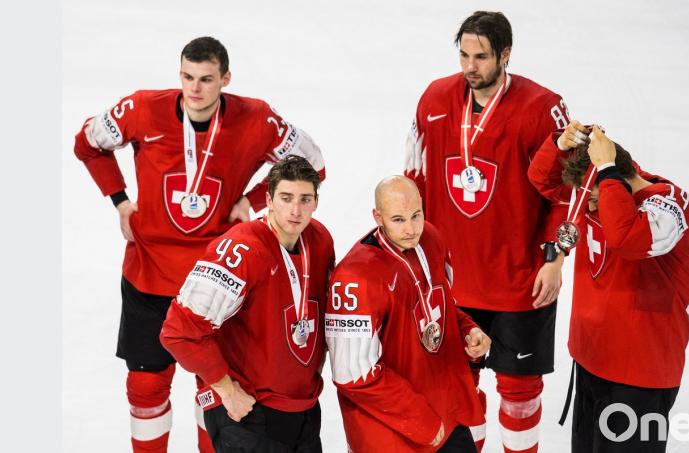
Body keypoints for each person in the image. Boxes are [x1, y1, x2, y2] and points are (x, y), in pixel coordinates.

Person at [73, 37, 326, 452]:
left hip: (216, 279)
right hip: (148, 272)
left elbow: (314, 164)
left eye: (207, 80)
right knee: (145, 385)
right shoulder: (141, 108)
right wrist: (119, 199)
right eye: (188, 77)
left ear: (225, 79)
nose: (195, 89)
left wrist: (254, 198)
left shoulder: (258, 119)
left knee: (213, 386)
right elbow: (87, 142)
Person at [404, 11, 570, 452]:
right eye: (463, 55)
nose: (470, 67)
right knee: (459, 388)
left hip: (520, 280)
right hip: (453, 281)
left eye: (480, 57)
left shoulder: (542, 108)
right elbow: (415, 181)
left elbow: (564, 193)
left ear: (506, 55)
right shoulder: (435, 99)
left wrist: (555, 260)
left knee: (519, 393)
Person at [531, 123, 689, 452]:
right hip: (592, 359)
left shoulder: (669, 205)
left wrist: (606, 172)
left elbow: (626, 239)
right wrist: (559, 144)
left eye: (594, 198)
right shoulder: (596, 191)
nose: (589, 208)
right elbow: (542, 181)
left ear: (615, 180)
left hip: (641, 376)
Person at [160, 155, 335, 453]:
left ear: (316, 202)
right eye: (286, 197)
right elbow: (178, 332)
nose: (295, 210)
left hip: (301, 408)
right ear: (268, 199)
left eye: (305, 199)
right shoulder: (240, 250)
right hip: (248, 413)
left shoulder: (319, 240)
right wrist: (226, 390)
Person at [325, 176, 491, 452]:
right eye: (399, 219)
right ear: (378, 216)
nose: (412, 229)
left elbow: (442, 307)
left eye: (416, 215)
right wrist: (421, 420)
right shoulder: (354, 278)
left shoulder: (432, 239)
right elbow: (353, 375)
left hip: (446, 415)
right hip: (395, 433)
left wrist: (467, 331)